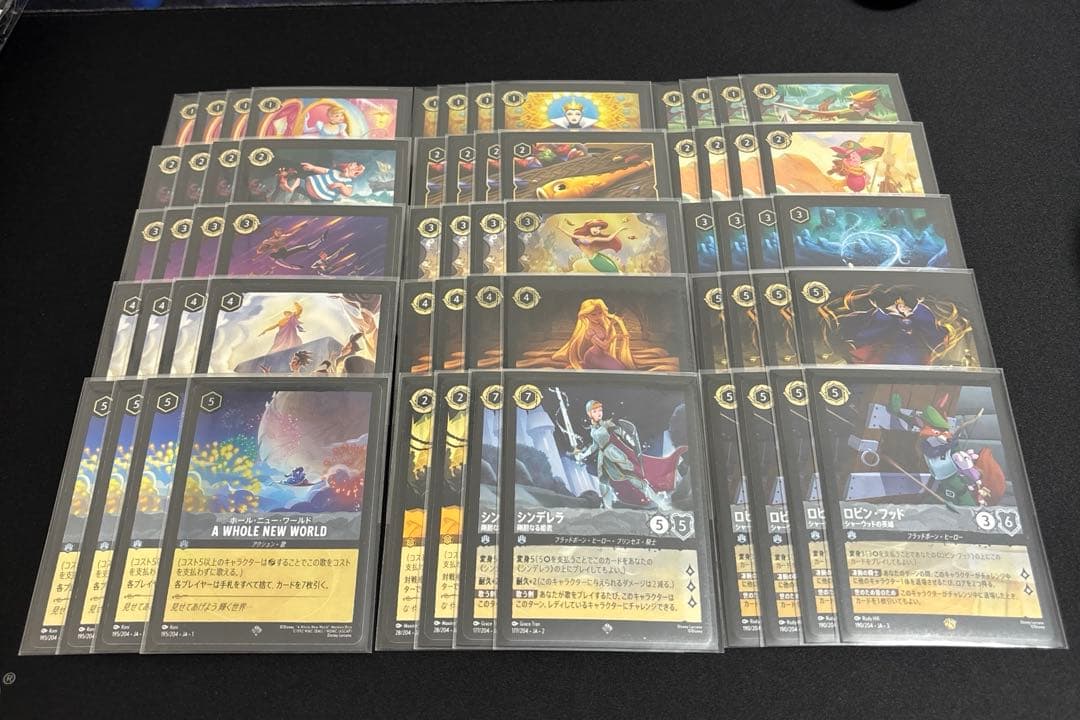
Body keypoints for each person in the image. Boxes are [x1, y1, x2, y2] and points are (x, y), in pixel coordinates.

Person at [573, 400, 681, 509]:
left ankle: (659, 502)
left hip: (613, 452)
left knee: (633, 477)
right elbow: (594, 446)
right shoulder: (593, 431)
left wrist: (632, 441)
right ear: (590, 414)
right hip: (603, 457)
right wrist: (583, 455)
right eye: (595, 411)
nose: (599, 413)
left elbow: (621, 432)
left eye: (600, 410)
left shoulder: (606, 424)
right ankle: (608, 507)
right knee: (604, 482)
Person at [552, 298, 636, 370]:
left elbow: (606, 338)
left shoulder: (602, 324)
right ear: (586, 315)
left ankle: (585, 365)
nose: (598, 317)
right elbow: (604, 346)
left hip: (602, 355)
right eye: (593, 314)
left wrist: (614, 326)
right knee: (616, 370)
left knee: (621, 368)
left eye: (600, 313)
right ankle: (586, 364)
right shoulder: (589, 330)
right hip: (592, 356)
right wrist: (615, 336)